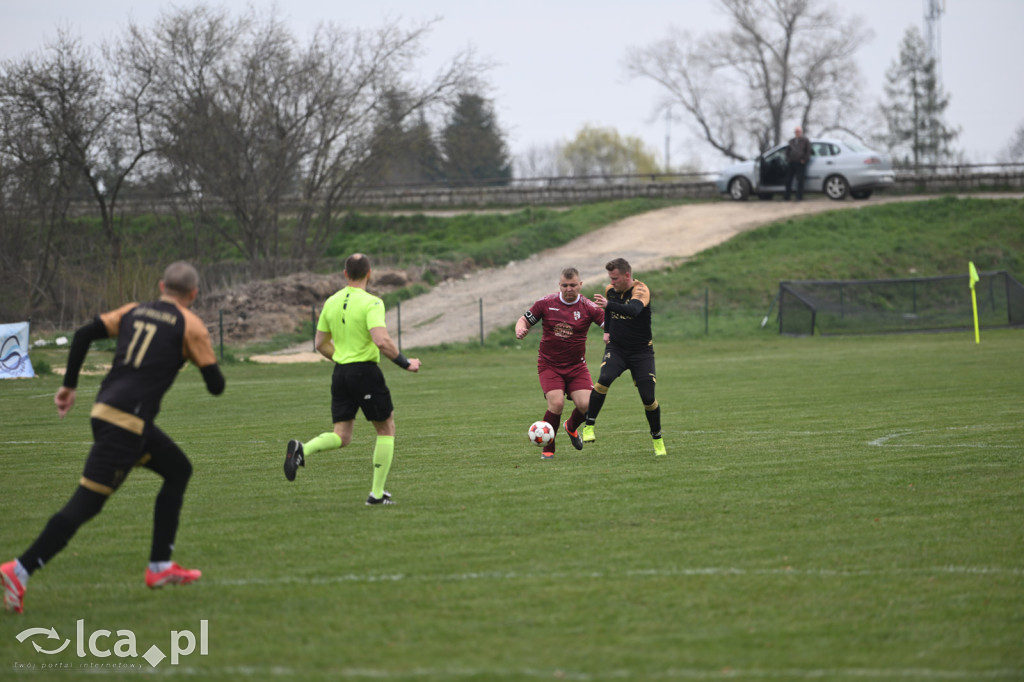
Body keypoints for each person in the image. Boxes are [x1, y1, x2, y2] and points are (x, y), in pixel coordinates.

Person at [2, 262, 225, 615]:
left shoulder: (134, 310)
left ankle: (160, 567)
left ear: (161, 285)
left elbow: (82, 335)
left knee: (178, 469)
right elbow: (216, 387)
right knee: (86, 503)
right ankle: (19, 569)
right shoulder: (191, 325)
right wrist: (196, 355)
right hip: (126, 424)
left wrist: (69, 386)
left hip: (107, 410)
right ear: (194, 295)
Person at [284, 253, 420, 505]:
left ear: (345, 274)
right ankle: (377, 494)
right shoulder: (373, 303)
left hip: (341, 373)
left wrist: (344, 359)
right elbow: (381, 340)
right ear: (369, 273)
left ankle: (303, 449)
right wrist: (405, 362)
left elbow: (320, 344)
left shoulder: (331, 302)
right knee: (386, 427)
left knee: (342, 436)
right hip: (365, 372)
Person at [515, 267, 605, 460]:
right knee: (556, 403)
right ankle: (549, 448)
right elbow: (524, 320)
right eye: (565, 285)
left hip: (576, 367)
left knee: (588, 406)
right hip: (550, 365)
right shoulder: (546, 303)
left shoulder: (589, 307)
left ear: (580, 285)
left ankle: (571, 426)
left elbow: (610, 325)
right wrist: (520, 329)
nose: (569, 289)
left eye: (573, 285)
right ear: (559, 285)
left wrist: (611, 334)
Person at [583, 258, 666, 457]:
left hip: (641, 352)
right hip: (617, 349)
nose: (612, 282)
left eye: (615, 278)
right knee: (604, 379)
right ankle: (588, 426)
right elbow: (610, 313)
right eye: (610, 278)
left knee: (648, 397)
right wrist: (607, 331)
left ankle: (657, 439)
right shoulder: (610, 291)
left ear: (627, 276)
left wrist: (609, 304)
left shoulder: (641, 290)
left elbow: (634, 310)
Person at [784, 126, 812, 201]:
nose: (797, 133)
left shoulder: (805, 140)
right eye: (796, 132)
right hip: (791, 163)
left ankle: (799, 197)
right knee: (788, 180)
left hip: (800, 163)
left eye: (798, 132)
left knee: (800, 180)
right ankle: (787, 197)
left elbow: (808, 151)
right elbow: (787, 152)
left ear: (801, 132)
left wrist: (804, 160)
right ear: (794, 133)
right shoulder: (791, 141)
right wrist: (788, 159)